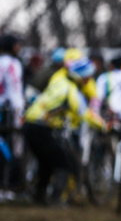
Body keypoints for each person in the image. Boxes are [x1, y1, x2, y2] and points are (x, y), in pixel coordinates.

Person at [23, 57, 106, 205]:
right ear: (79, 77)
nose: (89, 80)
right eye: (87, 76)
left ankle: (39, 198)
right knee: (63, 163)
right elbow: (84, 113)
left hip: (31, 124)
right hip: (41, 126)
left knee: (46, 164)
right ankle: (56, 200)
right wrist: (105, 126)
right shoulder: (70, 90)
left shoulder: (60, 81)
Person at [0, 34, 25, 193]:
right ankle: (9, 186)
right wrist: (20, 113)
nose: (19, 48)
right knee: (14, 148)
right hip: (8, 112)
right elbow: (15, 91)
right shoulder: (12, 64)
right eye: (17, 45)